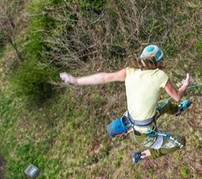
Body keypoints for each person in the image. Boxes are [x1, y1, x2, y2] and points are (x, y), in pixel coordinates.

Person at [60, 45, 192, 164]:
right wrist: (185, 84)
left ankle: (178, 110)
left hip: (133, 124)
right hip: (144, 134)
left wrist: (76, 80)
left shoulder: (130, 71)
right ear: (158, 62)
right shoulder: (160, 75)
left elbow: (104, 77)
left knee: (165, 104)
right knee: (180, 142)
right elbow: (177, 96)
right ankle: (143, 155)